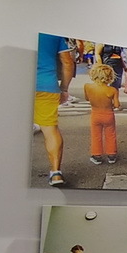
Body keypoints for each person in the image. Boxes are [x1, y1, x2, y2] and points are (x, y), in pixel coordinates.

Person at [34, 34, 76, 186]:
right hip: (46, 85)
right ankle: (56, 173)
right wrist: (64, 89)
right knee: (50, 129)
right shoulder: (53, 34)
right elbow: (67, 62)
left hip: (13, 84)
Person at [83, 64, 123, 165]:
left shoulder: (87, 87)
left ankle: (97, 156)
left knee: (96, 135)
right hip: (108, 114)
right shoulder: (112, 90)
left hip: (95, 114)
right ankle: (111, 155)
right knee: (110, 134)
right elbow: (117, 105)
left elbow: (87, 98)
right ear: (110, 77)